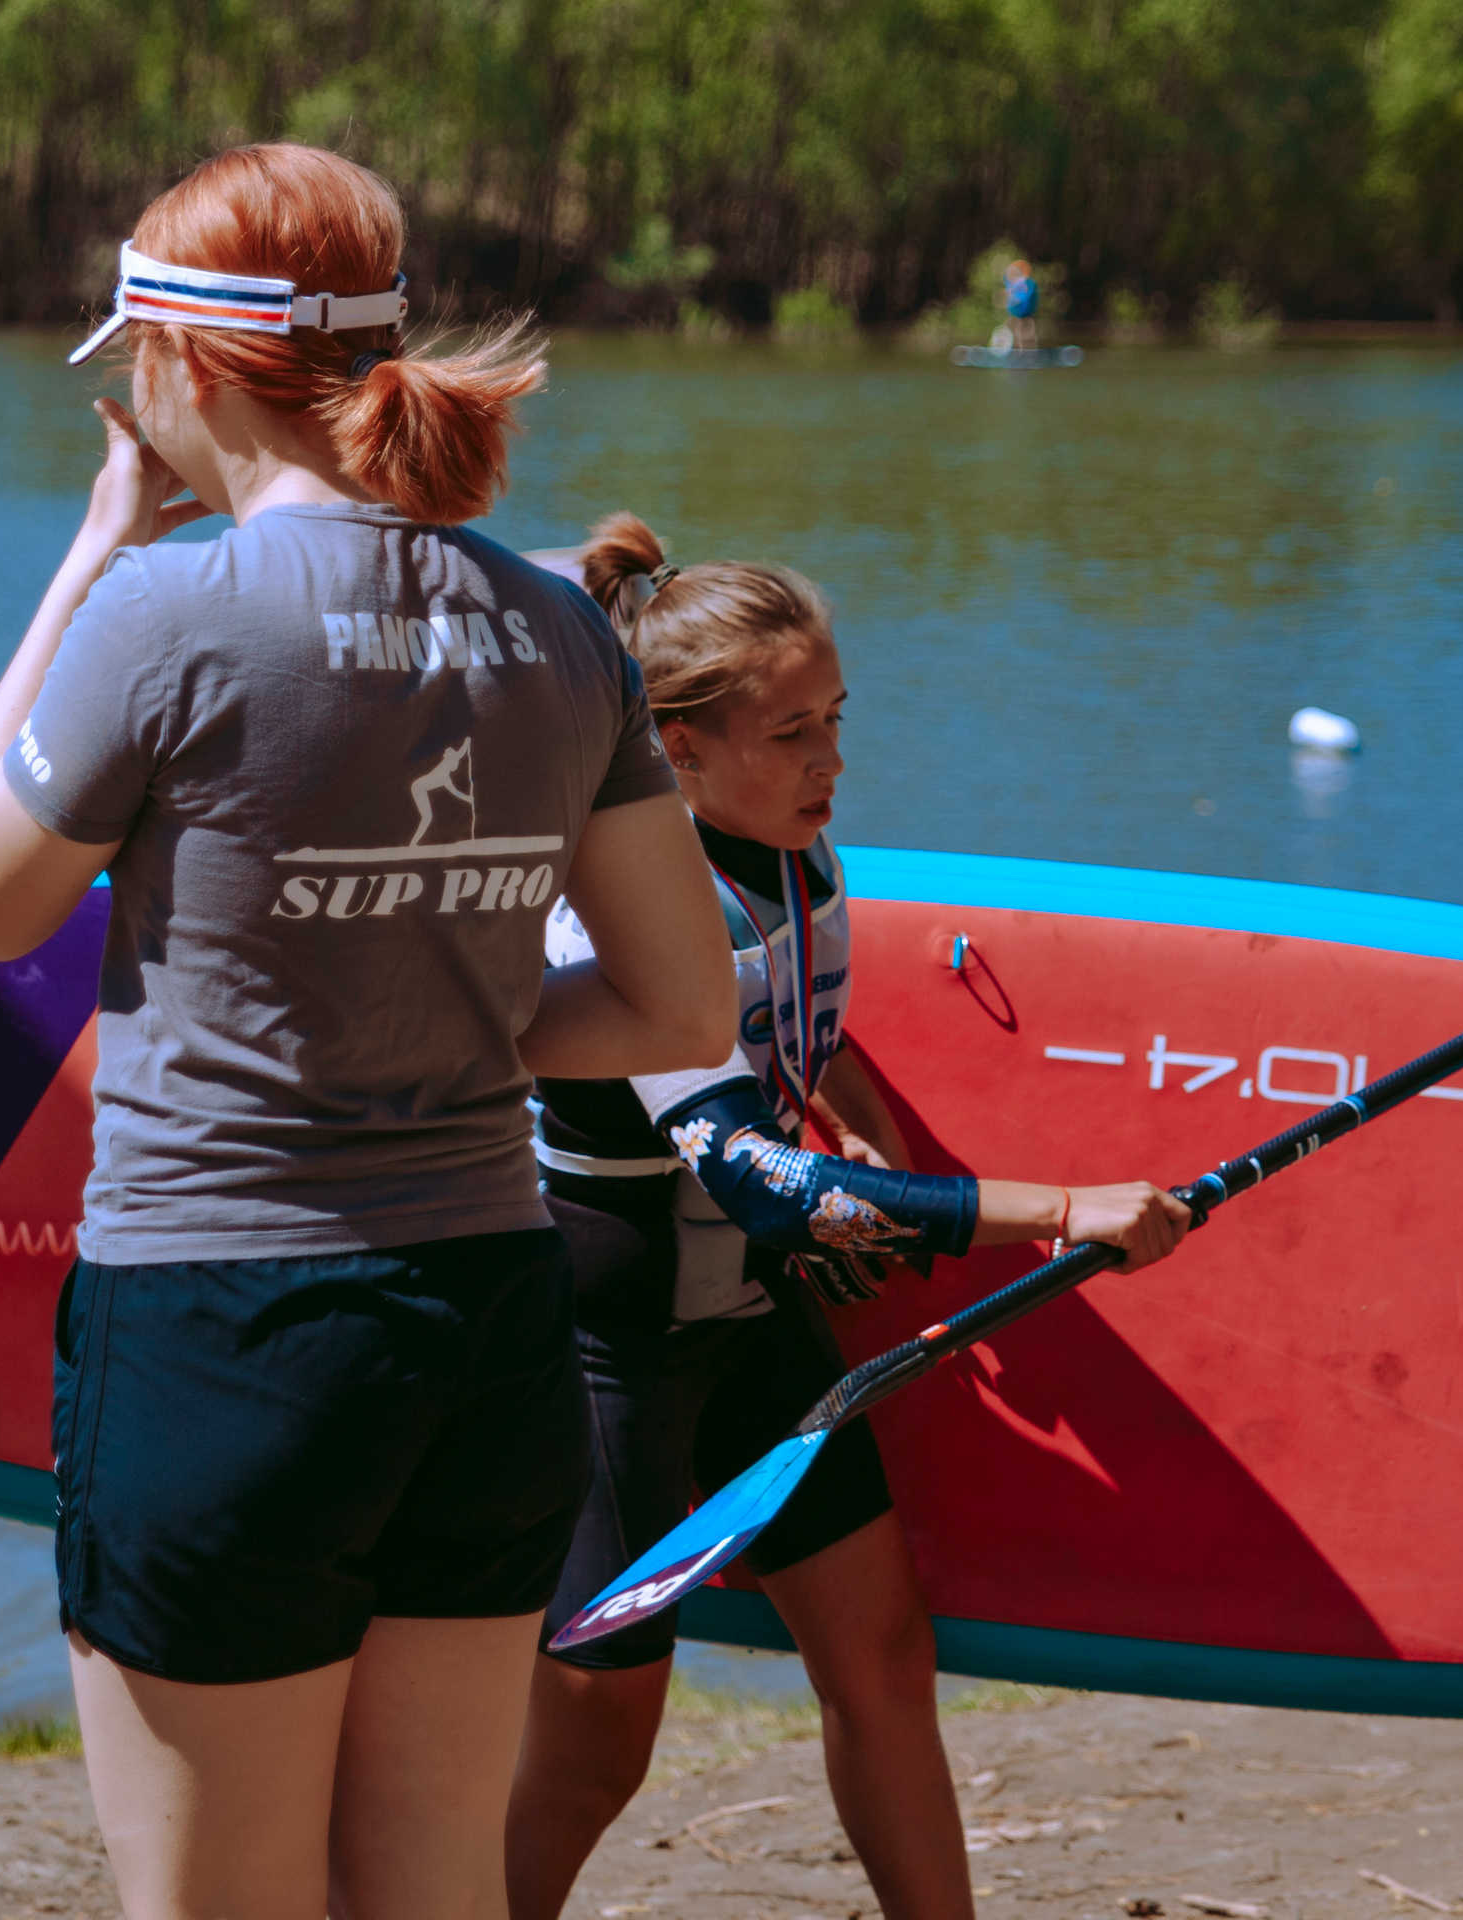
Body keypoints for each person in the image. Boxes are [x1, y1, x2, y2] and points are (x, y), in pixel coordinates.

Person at [0, 148, 736, 1920]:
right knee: (433, 1890)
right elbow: (684, 1004)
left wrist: (88, 553)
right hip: (489, 1329)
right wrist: (440, 1018)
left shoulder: (170, 612)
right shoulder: (555, 626)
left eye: (118, 365)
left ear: (181, 369)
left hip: (229, 1330)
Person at [504, 515, 1193, 1920]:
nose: (830, 760)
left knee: (881, 1656)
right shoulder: (624, 906)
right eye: (789, 733)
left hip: (752, 1322)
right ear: (674, 752)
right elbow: (766, 1179)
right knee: (595, 1757)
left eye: (836, 719)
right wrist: (1059, 1212)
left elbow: (788, 1027)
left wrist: (864, 1110)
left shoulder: (788, 855)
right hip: (604, 1358)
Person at [1004, 258, 1040, 352]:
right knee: (1013, 334)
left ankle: (1029, 353)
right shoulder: (1012, 284)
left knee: (1027, 336)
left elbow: (1025, 296)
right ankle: (1014, 352)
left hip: (1026, 315)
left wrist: (1016, 298)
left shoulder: (1028, 284)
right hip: (1014, 315)